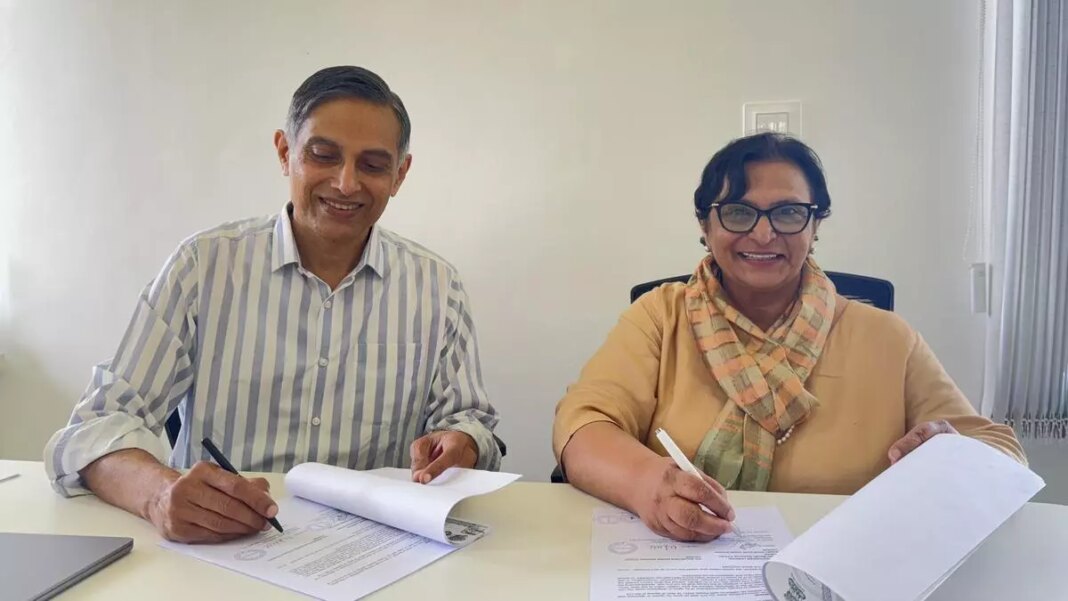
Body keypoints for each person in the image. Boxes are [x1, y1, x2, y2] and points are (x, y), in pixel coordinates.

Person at [44, 66, 502, 543]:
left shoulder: (436, 287)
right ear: (285, 152)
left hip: (375, 552)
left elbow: (470, 424)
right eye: (323, 155)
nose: (346, 184)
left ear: (399, 174)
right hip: (219, 548)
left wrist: (463, 442)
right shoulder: (203, 268)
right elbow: (94, 430)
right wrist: (159, 494)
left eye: (372, 165)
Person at [552, 132, 1025, 543]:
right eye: (738, 212)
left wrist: (954, 456)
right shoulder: (658, 316)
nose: (763, 234)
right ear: (705, 224)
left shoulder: (886, 337)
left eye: (789, 213)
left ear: (816, 225)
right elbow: (582, 426)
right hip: (682, 553)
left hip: (842, 563)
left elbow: (1002, 453)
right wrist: (645, 484)